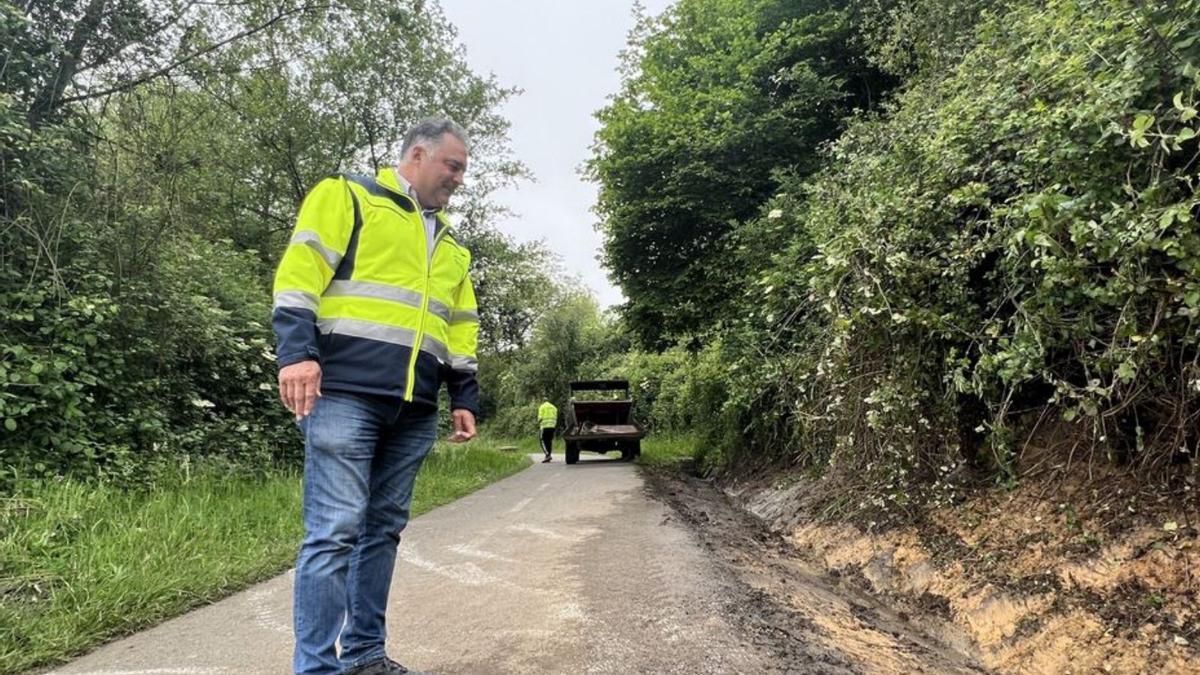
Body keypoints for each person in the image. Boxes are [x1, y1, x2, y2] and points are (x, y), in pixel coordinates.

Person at [272, 117, 480, 675]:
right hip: (344, 393)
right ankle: (316, 668)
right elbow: (300, 274)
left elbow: (459, 329)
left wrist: (464, 394)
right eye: (452, 166)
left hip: (414, 408)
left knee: (382, 530)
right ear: (418, 153)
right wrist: (296, 352)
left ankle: (364, 655)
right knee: (335, 530)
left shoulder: (452, 248)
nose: (459, 178)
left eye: (463, 170)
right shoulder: (350, 196)